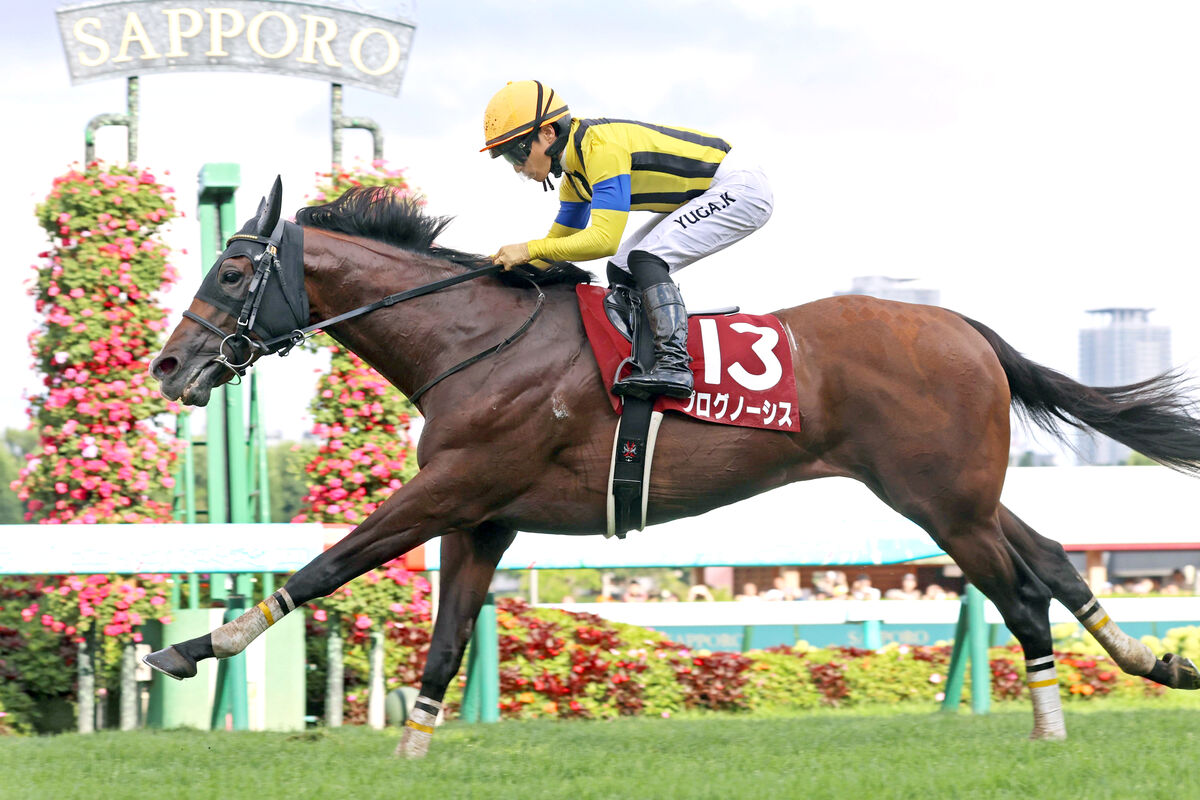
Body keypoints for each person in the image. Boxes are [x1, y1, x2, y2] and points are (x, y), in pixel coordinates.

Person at [481, 80, 774, 399]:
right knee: (621, 269)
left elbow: (604, 240)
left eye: (517, 151)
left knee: (644, 259)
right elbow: (555, 249)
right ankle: (645, 357)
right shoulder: (574, 179)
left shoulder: (601, 148)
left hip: (740, 187)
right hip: (709, 191)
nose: (517, 166)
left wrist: (527, 250)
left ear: (549, 133)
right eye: (508, 158)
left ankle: (674, 365)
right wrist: (494, 272)